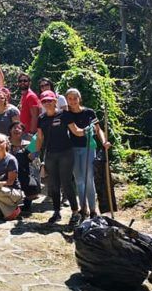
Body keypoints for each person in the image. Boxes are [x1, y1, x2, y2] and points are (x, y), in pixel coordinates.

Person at [63, 88, 110, 218]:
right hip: (73, 149)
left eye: (75, 98)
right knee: (78, 179)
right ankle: (83, 208)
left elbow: (98, 130)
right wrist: (87, 131)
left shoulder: (89, 112)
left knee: (89, 178)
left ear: (79, 98)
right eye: (70, 98)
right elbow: (75, 131)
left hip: (88, 148)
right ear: (67, 100)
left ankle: (93, 210)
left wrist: (104, 141)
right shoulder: (67, 114)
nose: (72, 101)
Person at [36, 90, 80, 225]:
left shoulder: (64, 115)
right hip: (50, 154)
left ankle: (75, 213)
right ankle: (56, 212)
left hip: (66, 153)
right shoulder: (41, 119)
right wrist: (36, 153)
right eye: (44, 101)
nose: (47, 103)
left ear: (55, 101)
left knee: (66, 183)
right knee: (53, 185)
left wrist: (89, 131)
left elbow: (76, 131)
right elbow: (40, 138)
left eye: (50, 100)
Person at [9, 121, 40, 214]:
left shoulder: (27, 144)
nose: (17, 129)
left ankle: (27, 200)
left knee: (32, 186)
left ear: (23, 132)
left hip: (24, 173)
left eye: (20, 128)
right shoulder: (4, 143)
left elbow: (32, 159)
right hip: (7, 174)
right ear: (10, 130)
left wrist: (33, 150)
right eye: (14, 127)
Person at [17, 72, 42, 138]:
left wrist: (31, 133)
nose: (22, 82)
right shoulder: (24, 96)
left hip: (29, 133)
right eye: (20, 81)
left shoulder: (31, 96)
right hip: (23, 131)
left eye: (25, 81)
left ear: (29, 83)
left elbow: (35, 116)